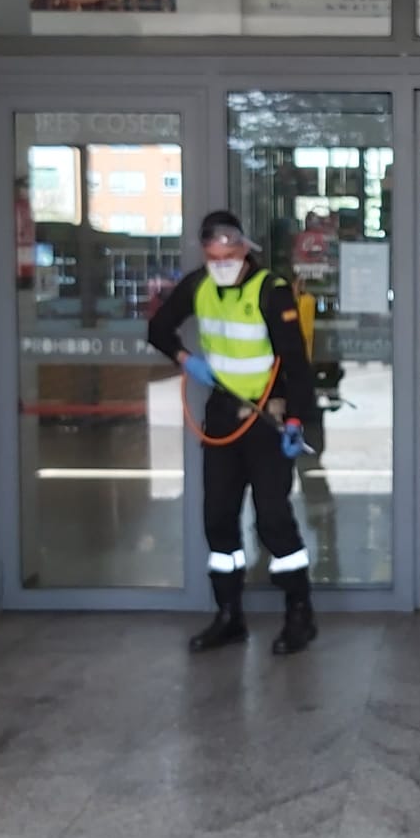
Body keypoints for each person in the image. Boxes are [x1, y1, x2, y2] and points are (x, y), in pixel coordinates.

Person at [148, 210, 319, 656]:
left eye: (228, 254)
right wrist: (187, 361)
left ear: (245, 248)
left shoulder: (271, 291)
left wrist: (298, 420)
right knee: (218, 519)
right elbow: (158, 329)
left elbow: (297, 364)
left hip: (267, 418)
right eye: (212, 256)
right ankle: (229, 617)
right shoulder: (198, 286)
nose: (220, 263)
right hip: (223, 417)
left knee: (273, 520)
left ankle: (300, 615)